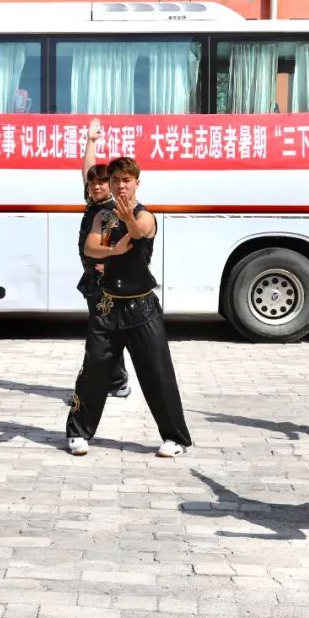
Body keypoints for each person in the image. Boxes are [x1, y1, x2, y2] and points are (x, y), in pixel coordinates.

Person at [66, 157, 192, 458]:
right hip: (107, 306)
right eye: (115, 180)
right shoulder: (102, 215)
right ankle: (78, 432)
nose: (120, 186)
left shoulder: (145, 216)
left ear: (137, 182)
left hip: (142, 308)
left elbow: (138, 233)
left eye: (126, 180)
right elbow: (90, 247)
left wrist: (128, 221)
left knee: (157, 372)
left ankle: (175, 438)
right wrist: (113, 248)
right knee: (93, 370)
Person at [76, 118, 130, 400]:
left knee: (103, 332)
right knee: (104, 330)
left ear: (110, 184)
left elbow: (104, 247)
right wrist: (91, 142)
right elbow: (87, 172)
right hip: (95, 280)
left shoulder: (109, 211)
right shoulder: (94, 203)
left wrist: (105, 263)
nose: (96, 186)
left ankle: (114, 382)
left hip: (103, 283)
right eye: (93, 183)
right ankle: (114, 381)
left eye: (101, 182)